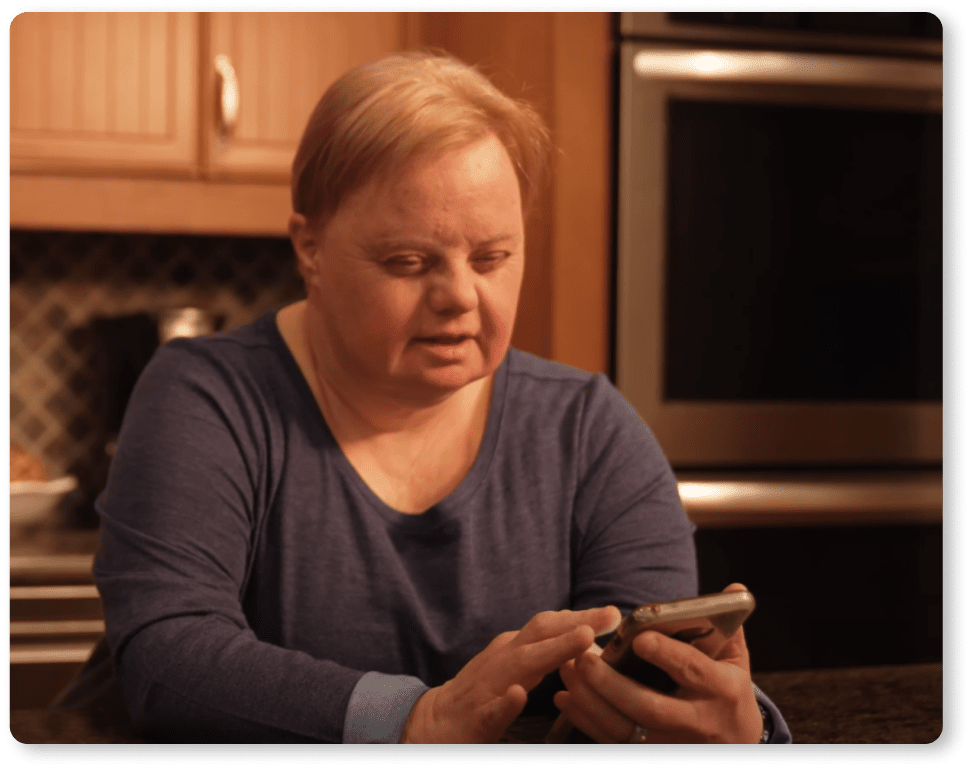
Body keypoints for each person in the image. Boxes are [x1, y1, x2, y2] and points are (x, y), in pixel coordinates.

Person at [88, 51, 791, 744]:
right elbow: (168, 656)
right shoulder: (206, 397)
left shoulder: (588, 429)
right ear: (310, 248)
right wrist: (414, 721)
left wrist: (739, 727)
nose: (459, 295)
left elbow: (649, 679)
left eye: (491, 258)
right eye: (408, 261)